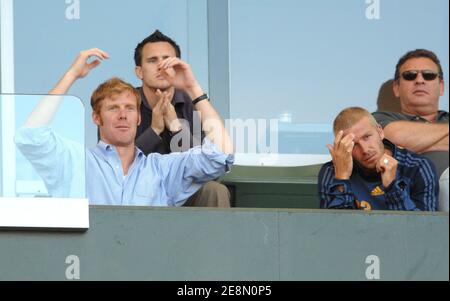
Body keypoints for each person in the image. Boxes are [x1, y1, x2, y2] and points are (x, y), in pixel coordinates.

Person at [15, 48, 234, 206]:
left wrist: (192, 87)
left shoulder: (159, 170)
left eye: (130, 108)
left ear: (139, 118)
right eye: (113, 108)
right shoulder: (76, 163)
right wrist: (71, 76)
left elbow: (221, 154)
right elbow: (30, 136)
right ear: (96, 118)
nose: (122, 115)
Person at [133, 30, 231, 207]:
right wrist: (153, 131)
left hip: (185, 193)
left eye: (167, 60)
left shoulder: (194, 103)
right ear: (139, 71)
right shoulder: (123, 103)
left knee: (214, 191)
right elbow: (114, 166)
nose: (160, 66)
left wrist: (176, 128)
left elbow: (213, 166)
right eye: (152, 60)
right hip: (136, 193)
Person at [318, 107, 438, 211]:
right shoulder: (333, 171)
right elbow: (336, 230)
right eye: (353, 145)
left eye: (367, 137)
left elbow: (422, 230)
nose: (365, 150)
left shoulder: (417, 167)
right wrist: (342, 178)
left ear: (380, 132)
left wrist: (392, 187)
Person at [373, 49, 449, 176]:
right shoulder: (379, 118)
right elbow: (395, 137)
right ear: (397, 88)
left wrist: (411, 145)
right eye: (410, 75)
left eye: (428, 75)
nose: (419, 80)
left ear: (441, 87)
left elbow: (397, 145)